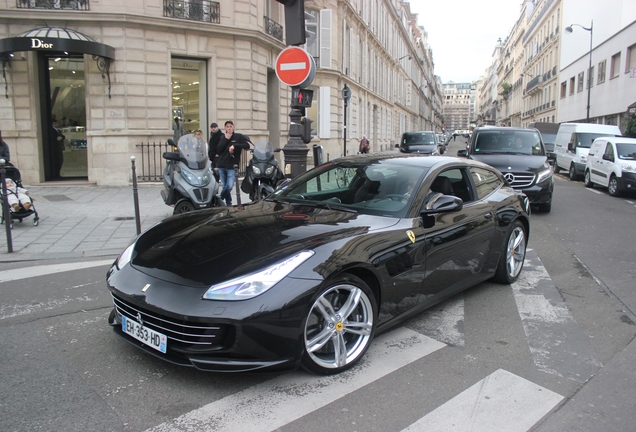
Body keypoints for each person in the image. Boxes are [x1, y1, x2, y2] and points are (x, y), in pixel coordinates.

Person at [212, 121, 250, 206]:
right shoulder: (222, 137)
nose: (229, 128)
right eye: (227, 127)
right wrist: (226, 139)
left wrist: (235, 146)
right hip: (222, 165)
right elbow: (219, 149)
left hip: (232, 166)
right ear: (225, 128)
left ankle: (219, 199)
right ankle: (228, 204)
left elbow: (246, 146)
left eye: (230, 126)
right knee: (225, 186)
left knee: (229, 186)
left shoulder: (238, 136)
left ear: (233, 127)